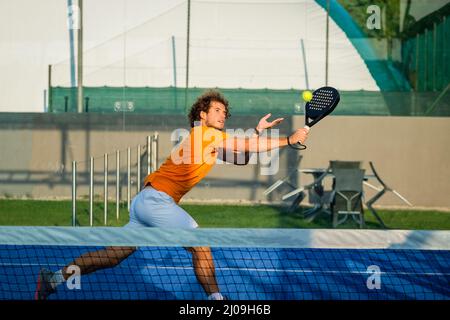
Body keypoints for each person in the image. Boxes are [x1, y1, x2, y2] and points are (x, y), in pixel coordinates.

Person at [35, 89, 309, 300]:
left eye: (224, 112)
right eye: (216, 110)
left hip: (144, 202)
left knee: (114, 255)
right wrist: (288, 139)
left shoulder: (206, 140)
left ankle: (54, 279)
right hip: (156, 201)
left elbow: (240, 157)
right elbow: (245, 145)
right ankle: (217, 302)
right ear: (202, 114)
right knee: (200, 244)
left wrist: (257, 132)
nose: (222, 115)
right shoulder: (206, 134)